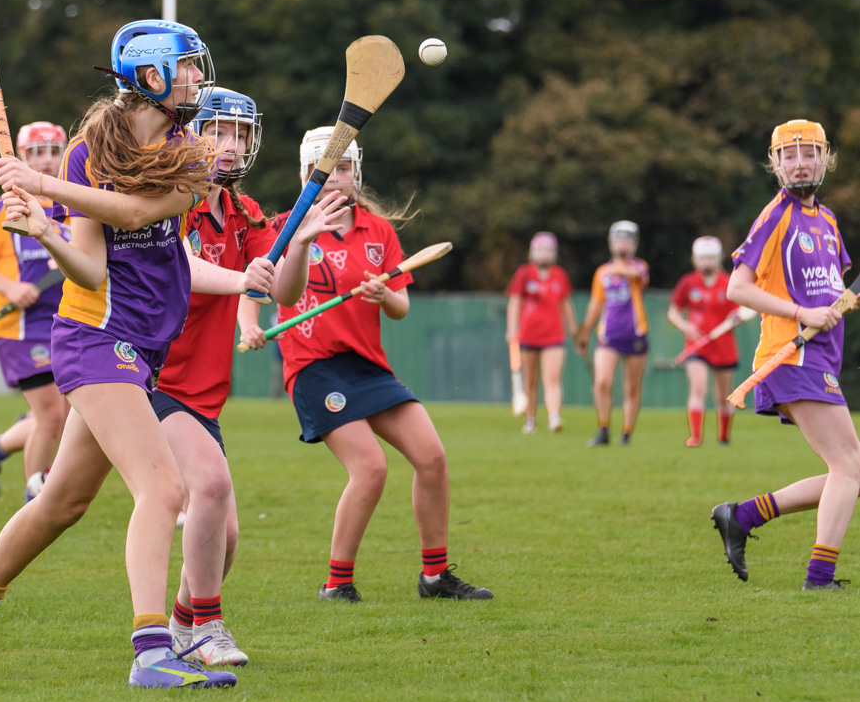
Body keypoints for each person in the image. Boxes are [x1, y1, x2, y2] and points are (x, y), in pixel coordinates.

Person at [0, 19, 274, 688]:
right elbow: (87, 269)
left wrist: (42, 190)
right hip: (94, 340)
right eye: (188, 69)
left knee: (62, 502)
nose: (199, 80)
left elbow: (134, 215)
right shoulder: (89, 149)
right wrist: (44, 231)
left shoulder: (194, 156)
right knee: (163, 487)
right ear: (150, 77)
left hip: (144, 347)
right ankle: (152, 650)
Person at [158, 88, 347, 666]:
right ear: (192, 133)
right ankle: (207, 630)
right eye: (219, 131)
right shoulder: (175, 200)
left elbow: (284, 291)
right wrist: (241, 280)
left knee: (225, 538)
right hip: (148, 377)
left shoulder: (243, 214)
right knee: (210, 490)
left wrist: (301, 245)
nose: (231, 145)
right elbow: (183, 273)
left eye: (240, 134)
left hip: (203, 394)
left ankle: (178, 628)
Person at [272, 126, 493, 604]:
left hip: (367, 365)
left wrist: (385, 293)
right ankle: (337, 583)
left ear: (356, 172)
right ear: (307, 175)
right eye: (323, 171)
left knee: (432, 457)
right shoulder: (286, 227)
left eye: (343, 168)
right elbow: (265, 288)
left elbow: (401, 308)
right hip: (314, 367)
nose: (334, 180)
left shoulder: (379, 232)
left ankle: (434, 577)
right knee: (370, 467)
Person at [712, 119, 859, 591]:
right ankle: (820, 576)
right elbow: (739, 287)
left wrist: (839, 304)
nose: (801, 164)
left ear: (825, 159)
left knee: (851, 470)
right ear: (775, 164)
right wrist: (802, 313)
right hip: (790, 358)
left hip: (817, 360)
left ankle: (743, 515)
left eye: (809, 153)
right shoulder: (775, 216)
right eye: (790, 156)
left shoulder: (828, 220)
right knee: (849, 467)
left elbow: (835, 294)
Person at [0, 121, 70, 501]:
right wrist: (10, 287)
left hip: (68, 323)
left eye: (54, 150)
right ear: (21, 158)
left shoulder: (76, 202)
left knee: (68, 416)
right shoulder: (8, 206)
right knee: (51, 415)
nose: (47, 160)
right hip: (21, 329)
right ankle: (34, 504)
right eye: (37, 153)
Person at [575, 221, 650, 447]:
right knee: (602, 382)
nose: (622, 244)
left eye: (627, 239)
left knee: (632, 387)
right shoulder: (602, 273)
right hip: (608, 335)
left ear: (635, 244)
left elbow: (639, 277)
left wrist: (619, 267)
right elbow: (596, 304)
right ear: (610, 243)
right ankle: (604, 429)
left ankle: (626, 434)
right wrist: (584, 332)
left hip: (635, 334)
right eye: (618, 239)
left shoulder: (639, 267)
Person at [668, 236, 739, 448]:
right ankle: (696, 437)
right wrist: (686, 327)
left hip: (724, 346)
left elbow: (740, 311)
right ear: (695, 259)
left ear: (718, 258)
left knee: (724, 396)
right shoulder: (688, 283)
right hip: (696, 347)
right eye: (702, 257)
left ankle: (724, 436)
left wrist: (735, 319)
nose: (706, 262)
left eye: (710, 257)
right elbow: (673, 312)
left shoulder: (729, 283)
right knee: (698, 388)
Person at [505, 232, 576, 434]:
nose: (543, 254)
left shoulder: (560, 275)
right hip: (527, 336)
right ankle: (530, 420)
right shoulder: (524, 274)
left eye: (548, 250)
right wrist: (511, 331)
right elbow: (515, 303)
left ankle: (554, 418)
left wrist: (574, 330)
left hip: (554, 336)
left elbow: (566, 304)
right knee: (530, 380)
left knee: (552, 378)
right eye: (540, 249)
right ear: (532, 252)